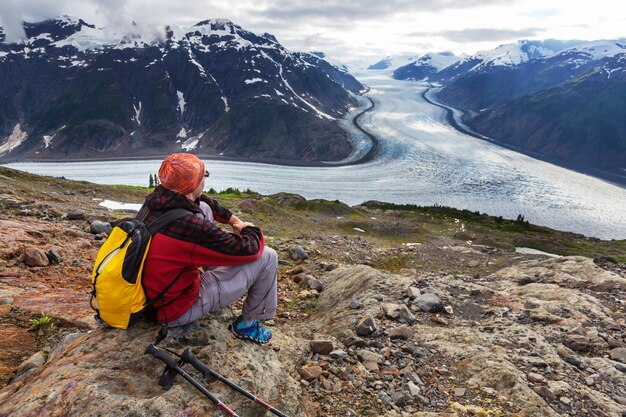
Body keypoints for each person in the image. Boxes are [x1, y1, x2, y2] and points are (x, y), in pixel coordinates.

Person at [138, 153, 277, 344]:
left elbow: (202, 201)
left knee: (202, 207)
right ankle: (248, 324)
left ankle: (211, 267)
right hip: (175, 309)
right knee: (268, 256)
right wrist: (249, 229)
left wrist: (233, 220)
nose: (205, 179)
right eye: (204, 175)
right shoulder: (189, 226)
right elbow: (249, 249)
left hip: (152, 296)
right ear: (193, 182)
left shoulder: (156, 201)